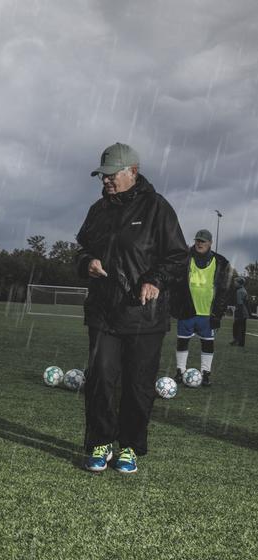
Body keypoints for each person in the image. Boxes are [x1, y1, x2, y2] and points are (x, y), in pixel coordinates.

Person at [76, 142, 188, 474]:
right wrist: (87, 263)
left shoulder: (157, 208)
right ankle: (100, 442)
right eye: (103, 176)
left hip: (144, 317)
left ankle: (129, 447)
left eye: (111, 176)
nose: (106, 181)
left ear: (132, 172)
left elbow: (178, 257)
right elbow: (80, 250)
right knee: (100, 380)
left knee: (138, 387)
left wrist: (154, 279)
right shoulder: (98, 211)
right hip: (104, 312)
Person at [170, 229, 232, 387]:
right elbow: (175, 283)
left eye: (203, 241)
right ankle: (180, 371)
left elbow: (224, 291)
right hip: (187, 310)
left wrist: (218, 314)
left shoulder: (221, 262)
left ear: (210, 243)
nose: (199, 243)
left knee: (208, 344)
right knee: (182, 342)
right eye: (197, 240)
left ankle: (205, 374)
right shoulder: (184, 258)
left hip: (207, 313)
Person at [231, 277, 250, 347]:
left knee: (238, 327)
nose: (234, 283)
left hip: (241, 312)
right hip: (244, 312)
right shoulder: (243, 290)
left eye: (236, 282)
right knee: (240, 327)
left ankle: (238, 341)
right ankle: (239, 342)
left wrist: (238, 314)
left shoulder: (239, 291)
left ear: (239, 283)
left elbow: (240, 304)